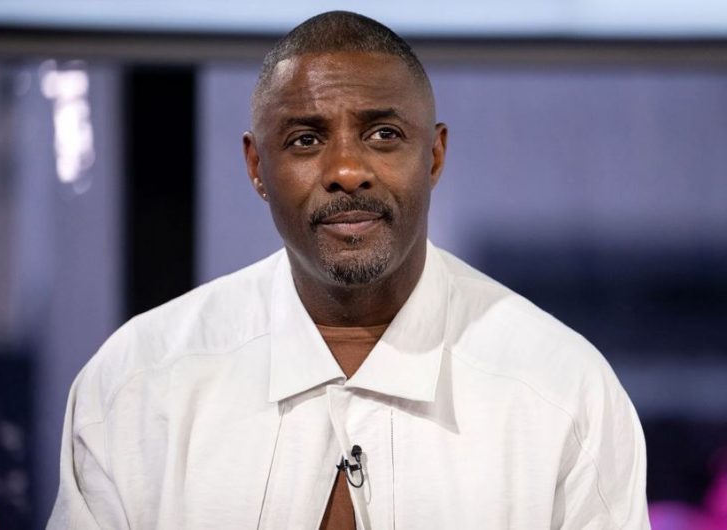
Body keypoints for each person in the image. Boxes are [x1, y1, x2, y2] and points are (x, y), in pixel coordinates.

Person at [48, 11, 650, 530]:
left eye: (383, 134)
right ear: (256, 166)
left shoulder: (563, 391)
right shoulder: (136, 386)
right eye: (306, 140)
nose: (346, 170)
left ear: (434, 155)